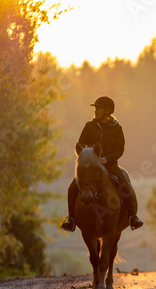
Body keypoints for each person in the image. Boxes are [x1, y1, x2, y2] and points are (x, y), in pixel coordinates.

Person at [61, 96, 144, 232]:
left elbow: (120, 149)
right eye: (95, 108)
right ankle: (71, 219)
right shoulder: (89, 126)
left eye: (98, 108)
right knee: (72, 187)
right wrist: (88, 155)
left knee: (125, 184)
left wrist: (106, 158)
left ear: (107, 111)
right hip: (91, 165)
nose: (95, 111)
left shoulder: (117, 129)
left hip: (110, 164)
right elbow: (80, 144)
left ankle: (132, 216)